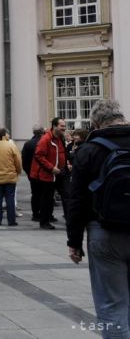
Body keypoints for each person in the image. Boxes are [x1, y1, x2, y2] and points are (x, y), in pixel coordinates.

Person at [66, 100, 130, 338]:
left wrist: (74, 241)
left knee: (112, 305)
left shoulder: (89, 150)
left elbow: (77, 200)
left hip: (104, 233)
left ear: (95, 123)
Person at [30, 117, 67, 230]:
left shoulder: (60, 138)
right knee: (47, 198)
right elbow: (38, 156)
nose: (64, 128)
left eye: (64, 126)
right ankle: (44, 221)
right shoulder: (45, 139)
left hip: (59, 172)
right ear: (55, 126)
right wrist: (51, 168)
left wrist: (66, 163)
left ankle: (68, 218)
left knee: (66, 195)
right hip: (48, 174)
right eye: (62, 126)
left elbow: (61, 153)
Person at [22, 124, 45, 222]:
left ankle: (35, 214)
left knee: (35, 194)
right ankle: (45, 213)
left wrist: (28, 172)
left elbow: (24, 160)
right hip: (44, 172)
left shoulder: (28, 143)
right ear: (42, 132)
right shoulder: (45, 142)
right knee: (45, 194)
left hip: (32, 173)